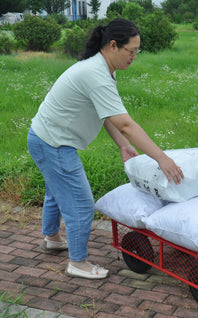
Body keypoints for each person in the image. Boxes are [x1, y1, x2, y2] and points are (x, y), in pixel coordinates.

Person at [27, 18, 184, 280]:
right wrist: (161, 159)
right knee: (81, 204)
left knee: (57, 190)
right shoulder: (95, 74)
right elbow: (124, 123)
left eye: (137, 51)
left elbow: (107, 115)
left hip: (45, 138)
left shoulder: (101, 70)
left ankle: (52, 237)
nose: (134, 57)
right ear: (113, 46)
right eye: (131, 51)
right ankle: (78, 263)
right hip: (53, 143)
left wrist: (124, 146)